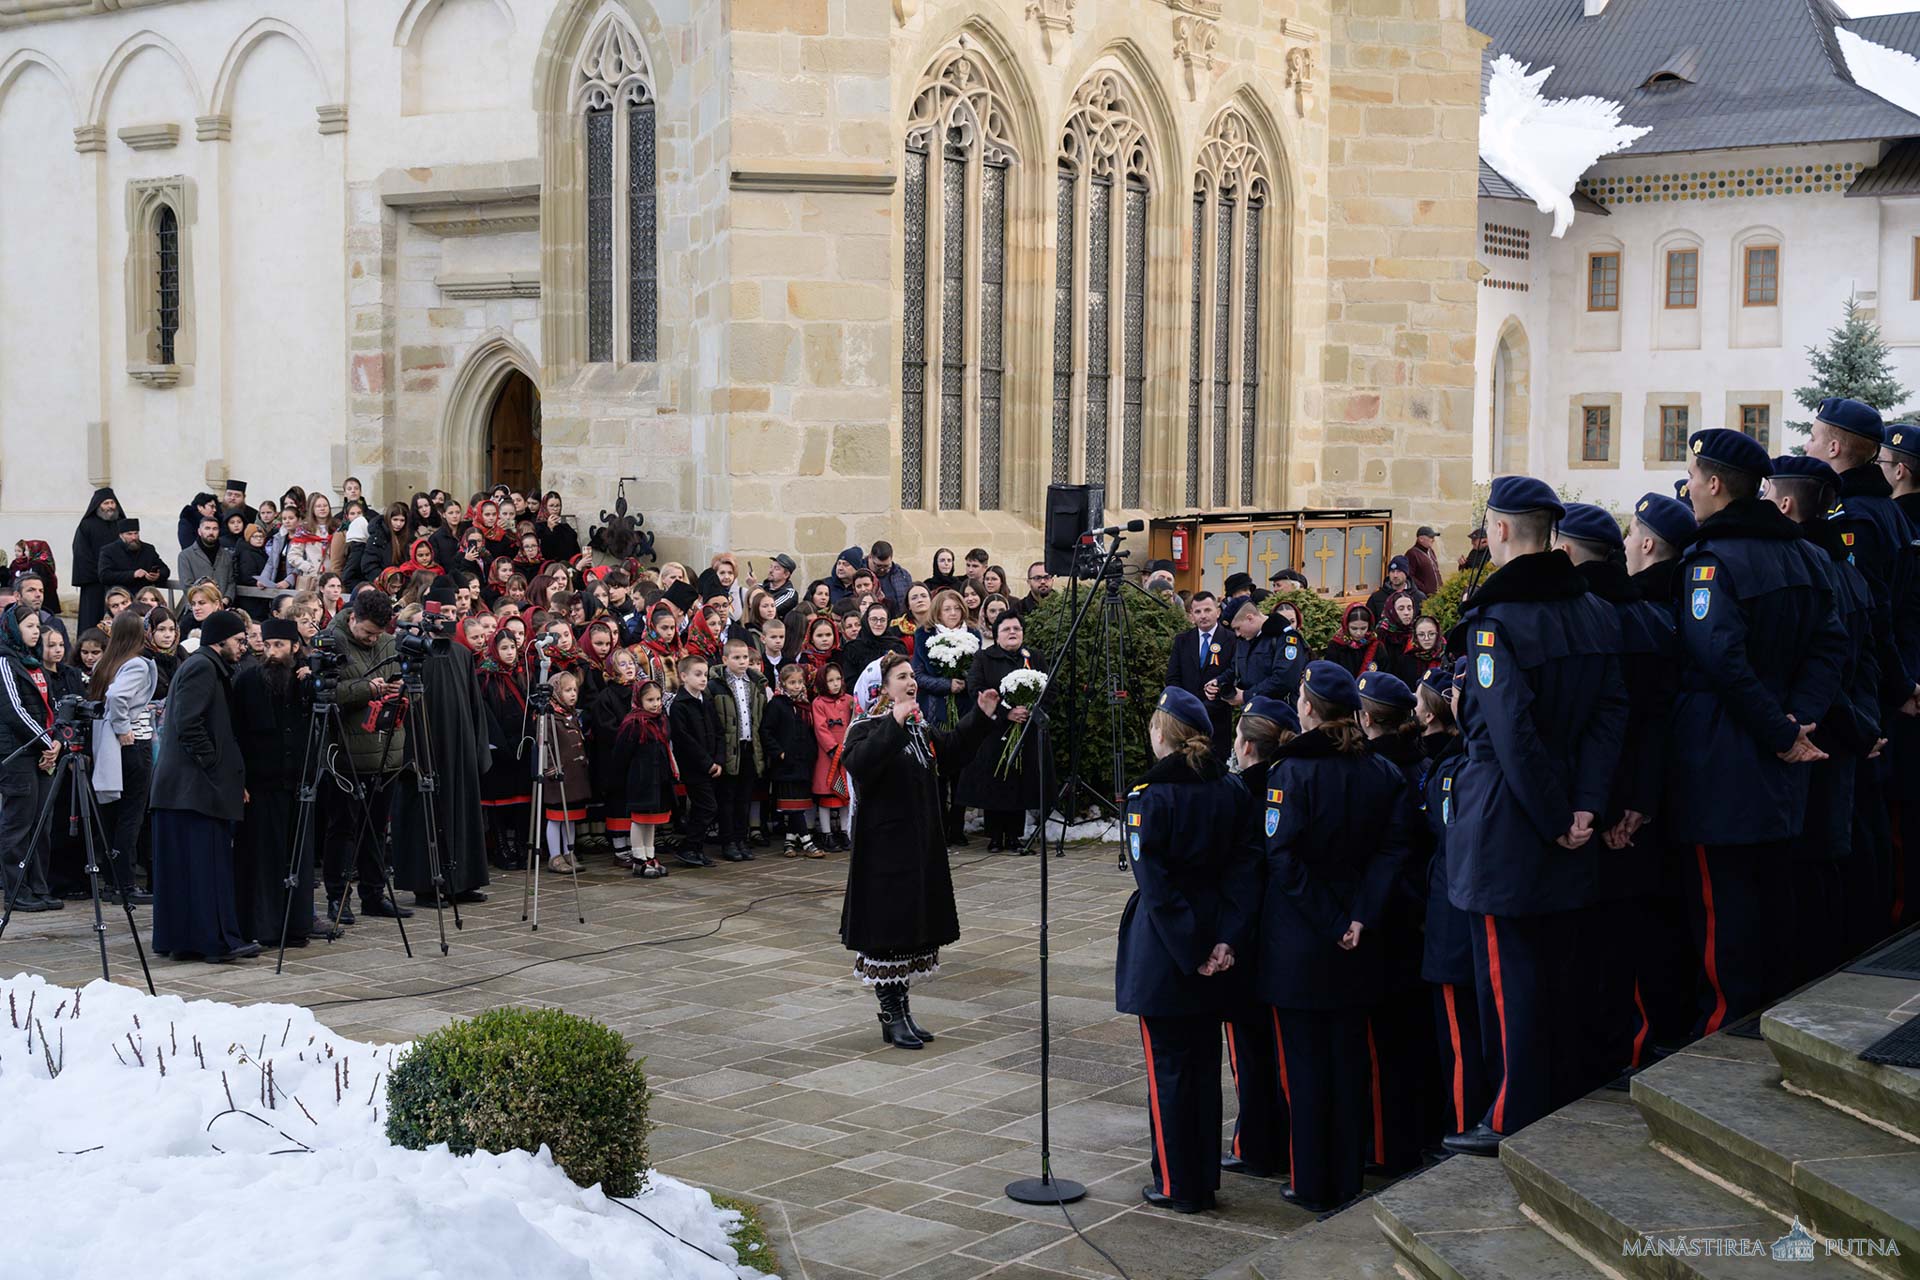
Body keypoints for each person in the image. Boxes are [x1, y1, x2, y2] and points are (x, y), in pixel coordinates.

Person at [1443, 476, 1628, 1158]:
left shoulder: (1496, 622)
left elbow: (1512, 732)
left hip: (1509, 824)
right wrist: (1586, 804)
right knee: (1558, 968)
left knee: (1509, 978)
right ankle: (1552, 1096)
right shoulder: (1595, 611)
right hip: (1567, 819)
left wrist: (1556, 815)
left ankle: (1513, 1112)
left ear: (1498, 533)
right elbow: (1611, 716)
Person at [1669, 432, 1848, 1041]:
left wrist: (1780, 730)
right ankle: (1766, 1014)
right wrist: (1799, 720)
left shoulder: (1711, 560)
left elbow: (1719, 656)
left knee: (1723, 905)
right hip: (1783, 757)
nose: (1689, 486)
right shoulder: (1807, 556)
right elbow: (1831, 646)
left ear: (1715, 483)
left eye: (1693, 474)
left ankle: (1726, 1026)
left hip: (1723, 757)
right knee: (1773, 892)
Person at [1257, 661, 1411, 1209]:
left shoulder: (1290, 772)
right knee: (1347, 1064)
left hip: (1302, 943)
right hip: (1357, 940)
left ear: (1308, 708)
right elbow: (1393, 852)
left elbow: (1284, 858)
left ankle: (1310, 1180)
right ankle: (1345, 1179)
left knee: (1303, 1069)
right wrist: (1359, 917)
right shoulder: (1382, 772)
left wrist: (1332, 921)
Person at [1554, 503, 1679, 1088]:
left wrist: (1609, 803)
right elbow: (1654, 722)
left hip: (1594, 805)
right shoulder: (1649, 615)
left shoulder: (1589, 616)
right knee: (1627, 938)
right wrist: (1638, 800)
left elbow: (1613, 723)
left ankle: (1604, 1054)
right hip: (1629, 804)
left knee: (1600, 947)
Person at [1117, 686, 1256, 1214]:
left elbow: (1157, 887)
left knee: (1171, 1071)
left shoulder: (1149, 797)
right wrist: (1226, 939)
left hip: (1169, 953)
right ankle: (1203, 1178)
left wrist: (1195, 947)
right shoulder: (1230, 790)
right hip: (1217, 944)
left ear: (1163, 733)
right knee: (1202, 1065)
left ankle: (1178, 1183)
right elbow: (1245, 869)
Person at [840, 651, 995, 1049]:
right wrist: (893, 722)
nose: (911, 682)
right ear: (882, 687)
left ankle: (903, 1012)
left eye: (912, 676)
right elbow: (860, 764)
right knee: (888, 932)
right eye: (902, 677)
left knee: (911, 931)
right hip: (884, 852)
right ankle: (890, 1015)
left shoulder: (919, 729)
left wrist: (980, 714)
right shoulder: (866, 726)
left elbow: (955, 750)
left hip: (918, 846)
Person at [1765, 458, 1881, 985]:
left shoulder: (1805, 569)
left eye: (1768, 493)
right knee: (1831, 862)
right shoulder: (1844, 570)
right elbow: (1871, 658)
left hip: (1813, 737)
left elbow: (1823, 666)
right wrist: (1866, 727)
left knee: (1807, 873)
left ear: (1786, 505)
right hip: (1843, 735)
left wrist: (1821, 724)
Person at [1354, 670, 1436, 1176]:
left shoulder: (1380, 770)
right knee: (1412, 1035)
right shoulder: (1420, 760)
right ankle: (1416, 1131)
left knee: (1384, 1039)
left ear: (1366, 719)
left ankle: (1386, 1146)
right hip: (1416, 911)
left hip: (1389, 913)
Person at [147, 610, 259, 962]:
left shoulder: (210, 666)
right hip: (193, 790)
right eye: (239, 640)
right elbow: (188, 724)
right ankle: (214, 942)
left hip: (190, 790)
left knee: (191, 871)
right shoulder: (201, 666)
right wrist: (216, 768)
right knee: (203, 868)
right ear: (220, 640)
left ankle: (189, 941)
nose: (243, 647)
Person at [1219, 695, 1295, 1181]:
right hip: (1288, 933)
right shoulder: (1290, 782)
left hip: (1248, 933)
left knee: (1251, 1048)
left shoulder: (1238, 794)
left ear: (1246, 746)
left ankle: (1258, 1143)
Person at [1415, 662, 1485, 1141]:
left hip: (1453, 921)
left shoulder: (1457, 766)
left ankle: (1464, 1122)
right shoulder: (1447, 761)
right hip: (1449, 915)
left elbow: (1446, 838)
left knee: (1461, 1038)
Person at [322, 592, 415, 925]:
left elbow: (394, 679)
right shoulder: (331, 643)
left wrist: (397, 688)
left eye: (378, 634)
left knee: (376, 829)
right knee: (343, 830)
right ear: (352, 619)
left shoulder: (388, 642)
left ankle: (374, 895)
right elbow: (328, 691)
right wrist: (368, 689)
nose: (373, 639)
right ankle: (338, 897)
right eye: (367, 633)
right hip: (347, 753)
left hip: (387, 748)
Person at [390, 610, 493, 908]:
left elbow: (474, 703)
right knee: (425, 814)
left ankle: (462, 881)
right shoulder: (409, 652)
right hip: (424, 747)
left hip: (458, 749)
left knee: (461, 812)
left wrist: (477, 748)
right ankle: (426, 885)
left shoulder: (461, 653)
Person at [229, 617, 314, 948]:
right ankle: (263, 926)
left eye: (280, 645)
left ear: (294, 647)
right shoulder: (248, 681)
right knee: (263, 859)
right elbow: (237, 732)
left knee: (297, 857)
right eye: (268, 644)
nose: (272, 652)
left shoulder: (305, 680)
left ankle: (296, 925)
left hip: (297, 783)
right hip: (261, 786)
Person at [90, 611, 158, 906]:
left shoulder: (105, 663)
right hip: (132, 744)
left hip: (108, 747)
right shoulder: (137, 665)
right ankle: (126, 884)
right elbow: (117, 698)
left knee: (113, 815)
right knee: (130, 816)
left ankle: (113, 882)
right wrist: (124, 727)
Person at [959, 612, 1040, 853]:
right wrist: (1006, 713)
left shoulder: (1033, 657)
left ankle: (1015, 836)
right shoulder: (983, 658)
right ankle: (995, 836)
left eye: (1017, 628)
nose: (1013, 632)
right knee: (994, 781)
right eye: (1006, 629)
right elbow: (976, 688)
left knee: (1018, 781)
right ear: (996, 634)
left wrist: (1028, 710)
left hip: (1024, 729)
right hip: (993, 729)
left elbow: (1048, 688)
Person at [0, 605, 59, 911]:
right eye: (29, 626)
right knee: (18, 824)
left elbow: (50, 706)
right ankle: (16, 890)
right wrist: (47, 741)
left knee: (40, 824)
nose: (36, 631)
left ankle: (38, 886)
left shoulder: (33, 663)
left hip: (41, 751)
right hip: (18, 752)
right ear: (13, 628)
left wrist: (56, 742)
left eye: (38, 626)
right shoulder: (5, 661)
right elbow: (14, 710)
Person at [478, 629, 534, 871]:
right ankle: (502, 848)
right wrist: (500, 744)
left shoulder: (522, 674)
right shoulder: (485, 676)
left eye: (512, 647)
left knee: (522, 801)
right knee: (499, 802)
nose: (510, 653)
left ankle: (522, 846)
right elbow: (485, 715)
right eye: (504, 648)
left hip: (522, 743)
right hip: (499, 748)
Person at [711, 637, 768, 863]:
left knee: (744, 797)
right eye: (736, 658)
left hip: (748, 747)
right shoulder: (716, 685)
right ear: (725, 660)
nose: (743, 662)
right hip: (727, 749)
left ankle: (740, 838)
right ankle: (728, 842)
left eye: (745, 657)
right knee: (727, 798)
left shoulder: (755, 683)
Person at [612, 679, 675, 878]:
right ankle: (639, 859)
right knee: (639, 820)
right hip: (640, 778)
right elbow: (621, 755)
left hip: (658, 778)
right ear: (639, 700)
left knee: (652, 820)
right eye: (650, 700)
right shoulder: (633, 723)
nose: (656, 704)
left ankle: (650, 854)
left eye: (658, 699)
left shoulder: (661, 719)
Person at [669, 653, 723, 867]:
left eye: (705, 675)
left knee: (705, 807)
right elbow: (685, 740)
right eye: (698, 674)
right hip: (694, 767)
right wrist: (706, 763)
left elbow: (718, 731)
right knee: (707, 806)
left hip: (711, 763)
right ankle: (688, 846)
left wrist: (718, 759)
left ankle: (695, 848)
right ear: (684, 676)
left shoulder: (706, 700)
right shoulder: (680, 705)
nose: (703, 679)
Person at [1165, 591, 1235, 754]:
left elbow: (1235, 670)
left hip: (1218, 717)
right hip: (1188, 718)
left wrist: (1219, 684)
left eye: (1207, 610)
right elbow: (1172, 677)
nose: (1203, 615)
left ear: (1218, 612)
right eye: (1198, 611)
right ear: (1191, 616)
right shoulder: (1182, 640)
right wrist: (1184, 704)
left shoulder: (1231, 639)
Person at [763, 664, 821, 857]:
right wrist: (779, 753)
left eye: (799, 682)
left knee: (799, 803)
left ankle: (789, 842)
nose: (796, 686)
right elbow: (766, 731)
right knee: (792, 804)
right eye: (792, 682)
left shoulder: (805, 704)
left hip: (803, 762)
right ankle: (807, 842)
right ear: (783, 683)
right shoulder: (777, 704)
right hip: (785, 764)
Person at [538, 670, 592, 873]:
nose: (572, 694)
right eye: (567, 690)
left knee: (571, 817)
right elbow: (545, 744)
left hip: (574, 775)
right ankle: (555, 855)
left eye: (574, 690)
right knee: (556, 818)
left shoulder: (572, 714)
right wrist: (550, 768)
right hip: (558, 776)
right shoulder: (549, 716)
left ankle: (569, 850)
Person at [1225, 595, 1306, 708]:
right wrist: (1219, 682)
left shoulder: (1284, 637)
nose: (1237, 634)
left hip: (1280, 712)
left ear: (1250, 618)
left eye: (1237, 628)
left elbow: (1284, 679)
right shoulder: (1244, 640)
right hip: (1253, 710)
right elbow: (1236, 669)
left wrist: (1246, 695)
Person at [810, 663, 855, 850]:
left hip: (847, 751)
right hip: (828, 756)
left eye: (838, 679)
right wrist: (833, 748)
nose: (835, 684)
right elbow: (820, 729)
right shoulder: (819, 703)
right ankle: (827, 833)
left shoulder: (849, 700)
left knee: (845, 796)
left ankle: (845, 831)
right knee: (827, 795)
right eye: (830, 680)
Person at [72, 488, 124, 632]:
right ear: (98, 505)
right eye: (106, 503)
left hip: (119, 582)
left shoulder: (122, 524)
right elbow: (81, 554)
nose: (110, 506)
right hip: (94, 584)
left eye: (112, 502)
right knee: (91, 622)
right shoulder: (86, 526)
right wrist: (102, 574)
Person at [98, 517, 170, 603]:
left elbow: (165, 570)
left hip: (144, 600)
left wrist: (157, 576)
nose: (134, 537)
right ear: (121, 535)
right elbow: (104, 576)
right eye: (129, 534)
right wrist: (133, 574)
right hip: (120, 600)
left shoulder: (148, 549)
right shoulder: (109, 550)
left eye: (136, 533)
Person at [1323, 603, 1381, 678]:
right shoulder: (1336, 646)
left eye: (1363, 628)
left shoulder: (1376, 646)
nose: (1359, 633)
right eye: (1354, 628)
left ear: (1369, 626)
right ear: (1346, 626)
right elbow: (1330, 674)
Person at [867, 540, 914, 618]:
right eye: (878, 566)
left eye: (886, 566)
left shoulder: (903, 576)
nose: (882, 569)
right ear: (870, 557)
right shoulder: (860, 575)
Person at [1403, 526, 1444, 596]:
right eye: (1431, 537)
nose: (1433, 540)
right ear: (1421, 539)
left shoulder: (1431, 552)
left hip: (1436, 595)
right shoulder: (1412, 553)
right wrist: (1424, 589)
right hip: (1423, 596)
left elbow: (1436, 571)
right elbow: (1409, 576)